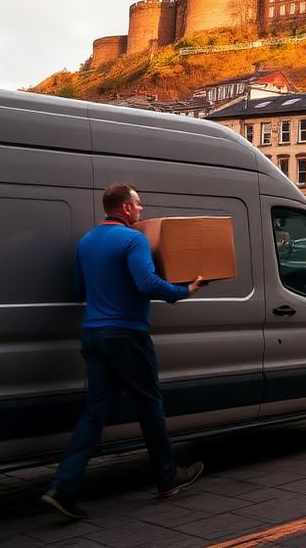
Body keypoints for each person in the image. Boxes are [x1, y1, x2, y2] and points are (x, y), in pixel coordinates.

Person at [42, 183, 206, 520]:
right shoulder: (134, 239)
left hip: (93, 334)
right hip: (127, 335)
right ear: (126, 209)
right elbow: (146, 284)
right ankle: (166, 476)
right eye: (138, 204)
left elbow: (79, 289)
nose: (142, 210)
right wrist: (184, 289)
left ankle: (63, 488)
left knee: (94, 413)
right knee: (149, 403)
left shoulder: (87, 241)